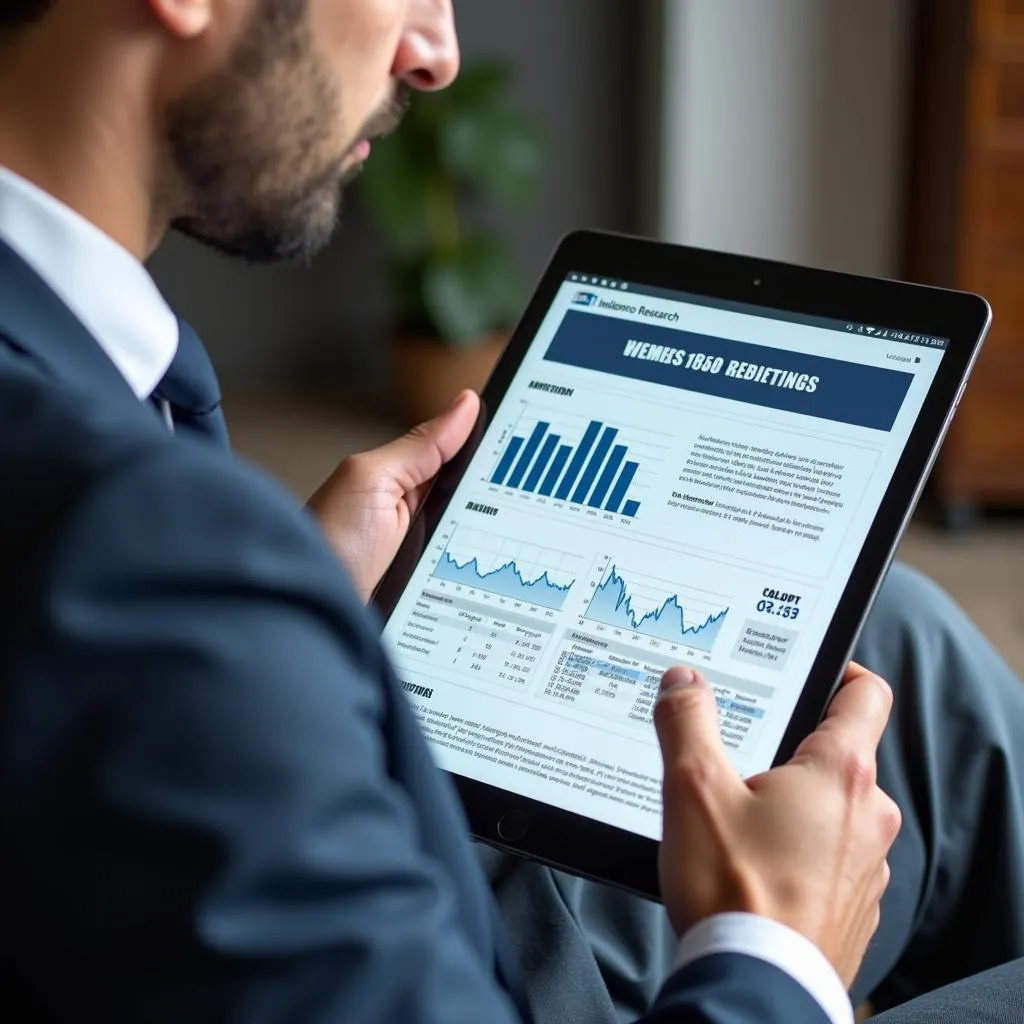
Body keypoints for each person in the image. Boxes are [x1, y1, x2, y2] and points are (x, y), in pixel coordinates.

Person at [1, 2, 1023, 1022]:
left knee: (899, 639)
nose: (436, 53)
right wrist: (774, 946)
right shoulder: (128, 547)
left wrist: (304, 622)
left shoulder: (78, 391)